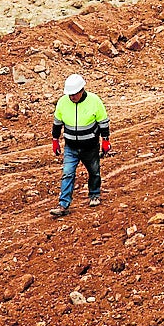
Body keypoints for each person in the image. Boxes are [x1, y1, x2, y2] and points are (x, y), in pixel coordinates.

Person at [50, 73, 111, 218]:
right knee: (67, 173)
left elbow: (103, 122)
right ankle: (63, 205)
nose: (72, 97)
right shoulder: (63, 102)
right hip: (71, 146)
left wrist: (105, 140)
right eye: (70, 94)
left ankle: (94, 194)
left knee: (94, 171)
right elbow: (57, 123)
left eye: (74, 94)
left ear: (81, 90)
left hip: (90, 146)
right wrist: (55, 139)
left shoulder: (94, 101)